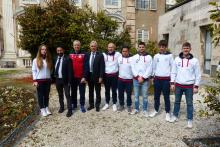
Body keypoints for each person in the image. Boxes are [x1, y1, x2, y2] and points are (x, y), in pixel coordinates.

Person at [169, 42, 201, 128]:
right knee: (176, 101)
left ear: (190, 49)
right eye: (184, 48)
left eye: (187, 48)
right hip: (178, 85)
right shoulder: (177, 60)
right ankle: (175, 116)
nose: (186, 49)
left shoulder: (195, 61)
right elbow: (173, 72)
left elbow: (198, 74)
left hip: (189, 86)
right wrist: (172, 83)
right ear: (182, 49)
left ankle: (189, 120)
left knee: (189, 103)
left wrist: (196, 86)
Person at [149, 40, 173, 121]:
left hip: (166, 80)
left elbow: (172, 68)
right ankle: (156, 109)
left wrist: (172, 81)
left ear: (165, 47)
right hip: (157, 79)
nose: (161, 48)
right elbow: (153, 67)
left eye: (163, 47)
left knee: (166, 96)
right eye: (160, 47)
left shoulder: (170, 56)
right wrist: (152, 77)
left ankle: (167, 112)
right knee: (156, 96)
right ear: (159, 47)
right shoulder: (156, 56)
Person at [130, 42, 152, 117]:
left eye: (143, 47)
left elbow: (149, 69)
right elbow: (132, 68)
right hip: (136, 79)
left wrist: (143, 77)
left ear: (145, 48)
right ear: (138, 48)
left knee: (145, 96)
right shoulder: (134, 57)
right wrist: (137, 77)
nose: (141, 48)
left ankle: (145, 110)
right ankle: (136, 108)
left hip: (145, 80)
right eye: (140, 47)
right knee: (136, 95)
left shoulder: (149, 57)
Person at [32, 44, 53, 117]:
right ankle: (42, 109)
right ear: (40, 50)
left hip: (47, 80)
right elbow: (34, 70)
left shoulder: (48, 59)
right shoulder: (35, 60)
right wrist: (35, 80)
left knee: (46, 95)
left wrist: (50, 77)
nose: (44, 51)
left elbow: (50, 70)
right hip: (39, 81)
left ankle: (47, 108)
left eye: (45, 49)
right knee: (41, 96)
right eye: (42, 49)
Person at [69, 40, 89, 113]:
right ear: (73, 46)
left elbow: (86, 66)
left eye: (78, 45)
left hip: (81, 77)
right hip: (73, 77)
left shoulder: (84, 54)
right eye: (75, 45)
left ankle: (82, 105)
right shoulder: (70, 54)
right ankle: (74, 104)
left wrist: (84, 77)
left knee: (82, 92)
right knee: (73, 92)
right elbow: (69, 66)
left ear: (80, 46)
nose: (76, 46)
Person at [53, 46, 73, 117]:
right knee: (60, 94)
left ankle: (70, 110)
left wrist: (70, 81)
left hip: (66, 80)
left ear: (63, 50)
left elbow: (70, 71)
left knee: (67, 95)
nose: (59, 52)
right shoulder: (55, 58)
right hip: (58, 79)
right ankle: (62, 107)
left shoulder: (68, 59)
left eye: (60, 50)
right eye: (58, 51)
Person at [102, 43, 121, 111]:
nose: (110, 48)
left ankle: (114, 103)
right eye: (109, 47)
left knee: (114, 90)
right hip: (106, 75)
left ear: (114, 48)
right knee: (107, 90)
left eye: (112, 47)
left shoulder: (118, 54)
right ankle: (107, 103)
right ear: (107, 48)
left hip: (114, 75)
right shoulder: (104, 55)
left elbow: (125, 57)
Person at [87, 41, 105, 112]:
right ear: (90, 47)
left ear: (96, 47)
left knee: (98, 91)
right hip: (89, 75)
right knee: (90, 91)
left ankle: (97, 105)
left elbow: (102, 67)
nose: (93, 47)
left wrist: (101, 76)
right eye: (92, 46)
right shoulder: (87, 54)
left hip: (97, 76)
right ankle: (91, 105)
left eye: (94, 46)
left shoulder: (100, 55)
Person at [117, 46, 133, 113]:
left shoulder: (132, 59)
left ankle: (129, 105)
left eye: (126, 51)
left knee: (129, 94)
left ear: (128, 51)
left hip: (129, 80)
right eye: (123, 51)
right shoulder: (119, 58)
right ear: (121, 52)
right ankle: (121, 105)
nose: (124, 52)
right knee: (120, 93)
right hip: (120, 79)